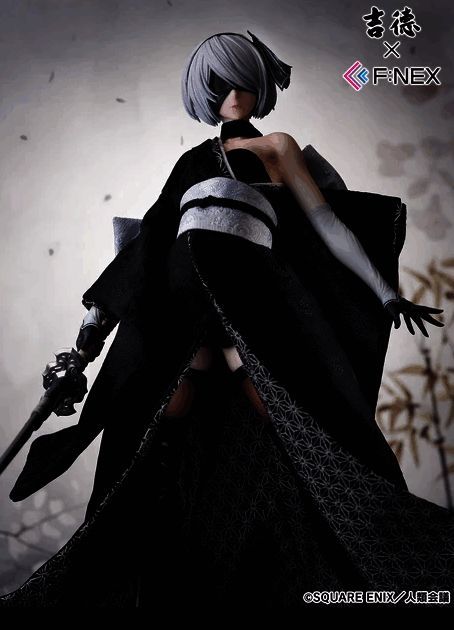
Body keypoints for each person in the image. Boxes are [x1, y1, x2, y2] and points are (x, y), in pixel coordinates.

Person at [1, 30, 453, 609]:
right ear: (203, 93)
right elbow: (148, 245)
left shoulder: (277, 148)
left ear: (260, 85)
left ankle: (300, 552)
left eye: (243, 83)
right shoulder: (191, 163)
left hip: (254, 307)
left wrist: (385, 293)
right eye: (220, 86)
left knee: (292, 426)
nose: (234, 96)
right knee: (153, 434)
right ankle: (157, 568)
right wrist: (89, 335)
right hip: (184, 309)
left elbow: (326, 225)